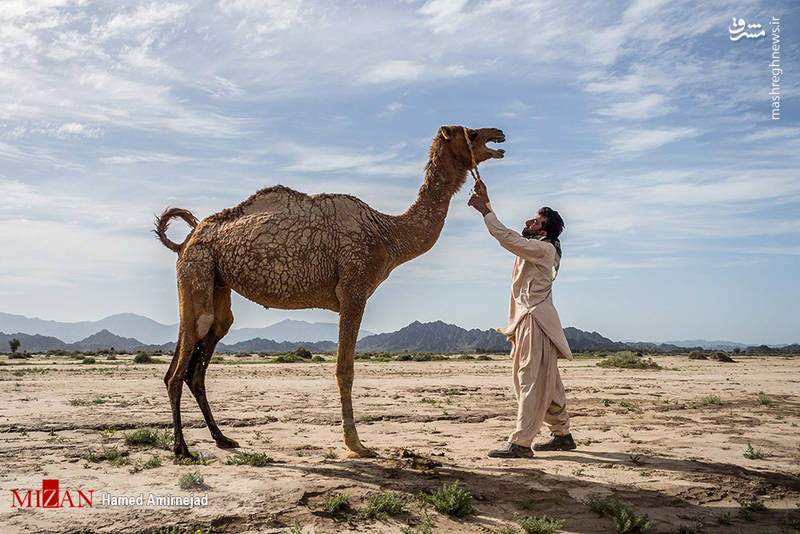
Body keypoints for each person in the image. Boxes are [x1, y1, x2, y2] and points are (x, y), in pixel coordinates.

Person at [468, 179, 576, 458]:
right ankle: (562, 435)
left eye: (535, 220)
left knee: (529, 380)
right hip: (534, 320)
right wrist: (487, 200)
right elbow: (512, 237)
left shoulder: (544, 249)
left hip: (535, 321)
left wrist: (484, 212)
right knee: (548, 382)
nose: (529, 221)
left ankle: (520, 443)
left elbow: (507, 237)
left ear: (543, 228)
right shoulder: (536, 247)